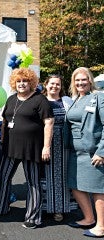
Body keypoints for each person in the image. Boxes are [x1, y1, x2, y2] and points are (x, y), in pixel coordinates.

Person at [0, 68, 54, 229]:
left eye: (25, 81)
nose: (22, 84)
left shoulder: (40, 100)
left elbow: (49, 122)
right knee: (4, 178)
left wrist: (46, 147)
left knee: (33, 182)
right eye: (18, 81)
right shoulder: (11, 99)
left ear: (31, 83)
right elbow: (5, 121)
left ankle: (33, 217)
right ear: (14, 83)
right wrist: (3, 141)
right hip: (10, 147)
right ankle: (1, 207)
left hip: (32, 148)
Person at [65, 67, 104, 238]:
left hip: (92, 152)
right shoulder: (76, 99)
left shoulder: (98, 97)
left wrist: (101, 152)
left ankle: (101, 226)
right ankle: (88, 218)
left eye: (84, 79)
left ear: (90, 81)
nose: (80, 83)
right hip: (75, 152)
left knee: (97, 189)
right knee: (76, 186)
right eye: (77, 80)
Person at [40, 74, 73, 222]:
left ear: (61, 87)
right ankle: (42, 207)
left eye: (57, 84)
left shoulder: (66, 101)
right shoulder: (40, 101)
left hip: (63, 144)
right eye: (51, 84)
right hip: (43, 143)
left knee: (61, 177)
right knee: (43, 176)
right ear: (46, 85)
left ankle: (59, 209)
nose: (54, 87)